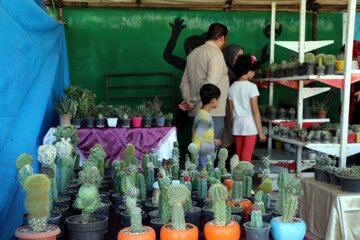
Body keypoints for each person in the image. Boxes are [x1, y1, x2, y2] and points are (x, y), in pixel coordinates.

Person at [179, 23, 229, 142]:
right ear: (222, 38)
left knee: (197, 148)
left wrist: (189, 101)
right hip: (212, 112)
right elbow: (211, 84)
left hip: (194, 112)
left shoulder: (192, 54)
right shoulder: (215, 54)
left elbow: (184, 82)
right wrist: (191, 101)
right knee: (209, 152)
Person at [228, 54, 267, 162]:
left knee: (239, 153)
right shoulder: (252, 87)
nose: (254, 74)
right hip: (249, 125)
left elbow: (230, 111)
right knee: (246, 155)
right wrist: (261, 132)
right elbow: (255, 111)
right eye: (254, 71)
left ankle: (237, 177)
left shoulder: (232, 87)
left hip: (237, 124)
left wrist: (232, 125)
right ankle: (245, 177)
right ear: (249, 70)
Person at [192, 84, 222, 165]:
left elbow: (202, 133)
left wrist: (211, 141)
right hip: (204, 156)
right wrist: (195, 157)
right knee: (206, 175)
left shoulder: (201, 113)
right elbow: (197, 138)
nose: (219, 101)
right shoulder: (204, 117)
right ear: (213, 101)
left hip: (204, 153)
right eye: (218, 99)